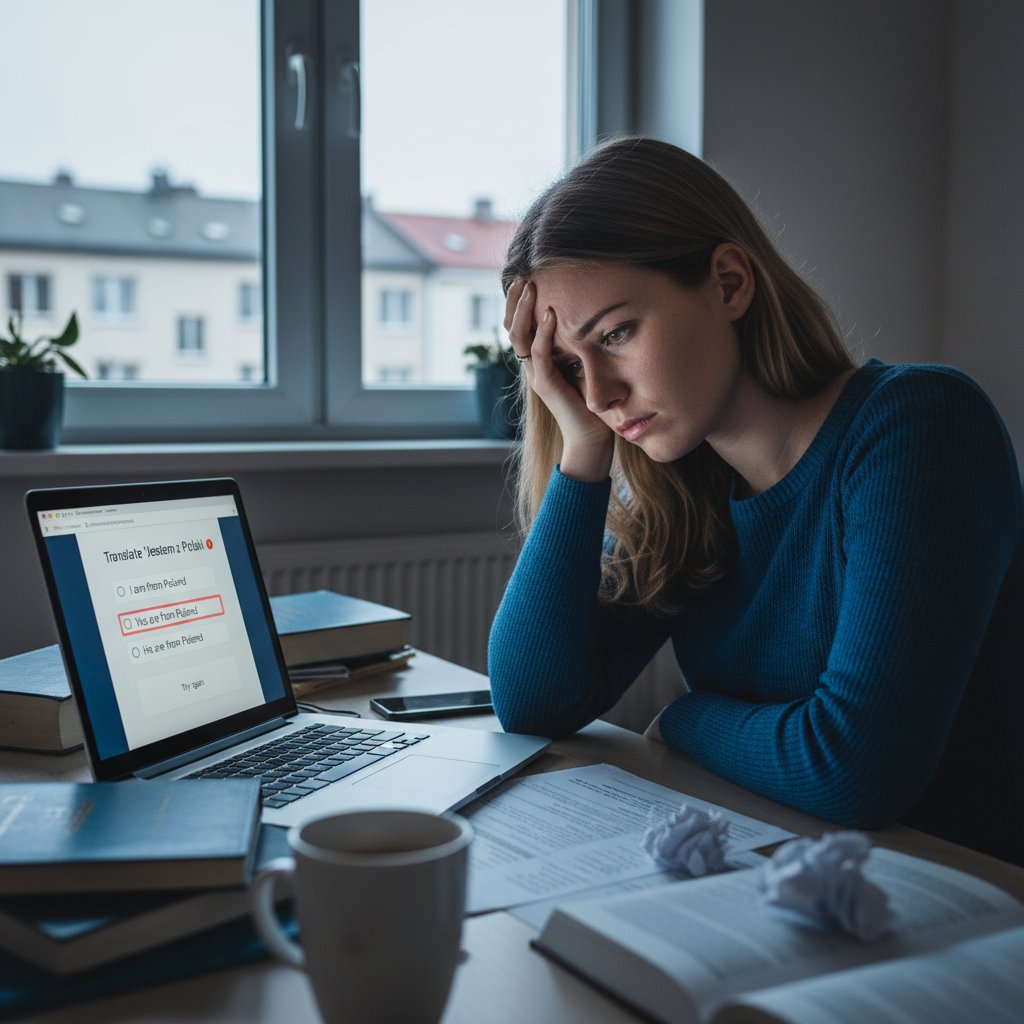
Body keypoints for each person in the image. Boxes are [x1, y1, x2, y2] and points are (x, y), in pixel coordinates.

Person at [487, 136, 1024, 865]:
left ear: (730, 282)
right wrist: (581, 450)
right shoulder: (686, 488)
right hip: (793, 882)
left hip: (966, 903)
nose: (601, 394)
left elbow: (854, 770)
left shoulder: (919, 426)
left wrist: (682, 720)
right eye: (570, 366)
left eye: (615, 333)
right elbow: (532, 703)